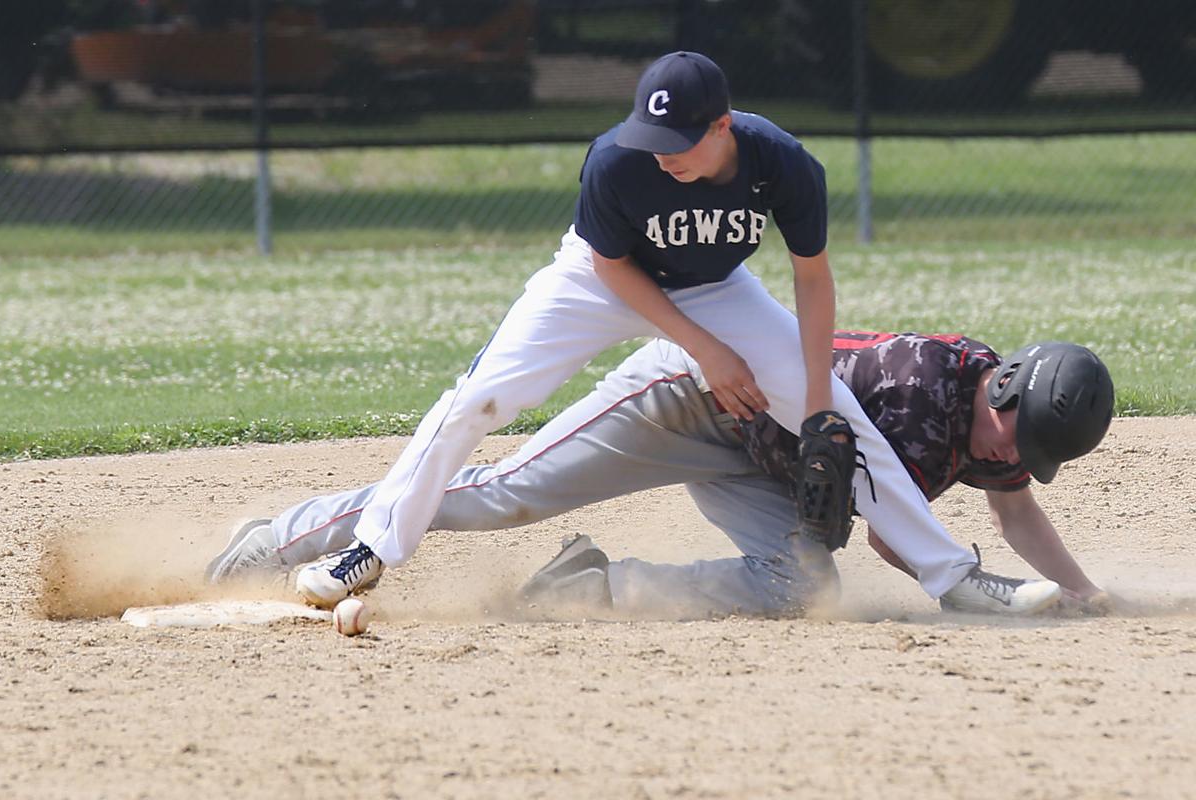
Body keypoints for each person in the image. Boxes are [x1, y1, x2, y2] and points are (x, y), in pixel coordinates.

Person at [288, 50, 992, 612]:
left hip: (715, 286)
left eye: (679, 142)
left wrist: (812, 402)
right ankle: (373, 546)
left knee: (838, 419)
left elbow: (813, 277)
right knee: (478, 400)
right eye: (651, 139)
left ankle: (952, 575)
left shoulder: (781, 162)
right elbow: (611, 265)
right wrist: (702, 347)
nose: (662, 155)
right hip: (598, 280)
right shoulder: (617, 160)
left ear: (722, 127)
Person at [208, 332, 1115, 618]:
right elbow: (891, 532)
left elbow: (1016, 513)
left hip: (762, 452)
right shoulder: (927, 393)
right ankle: (283, 539)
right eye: (1017, 436)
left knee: (798, 584)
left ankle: (591, 587)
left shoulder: (990, 420)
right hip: (686, 395)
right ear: (1003, 390)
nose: (1010, 458)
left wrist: (1080, 592)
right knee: (502, 493)